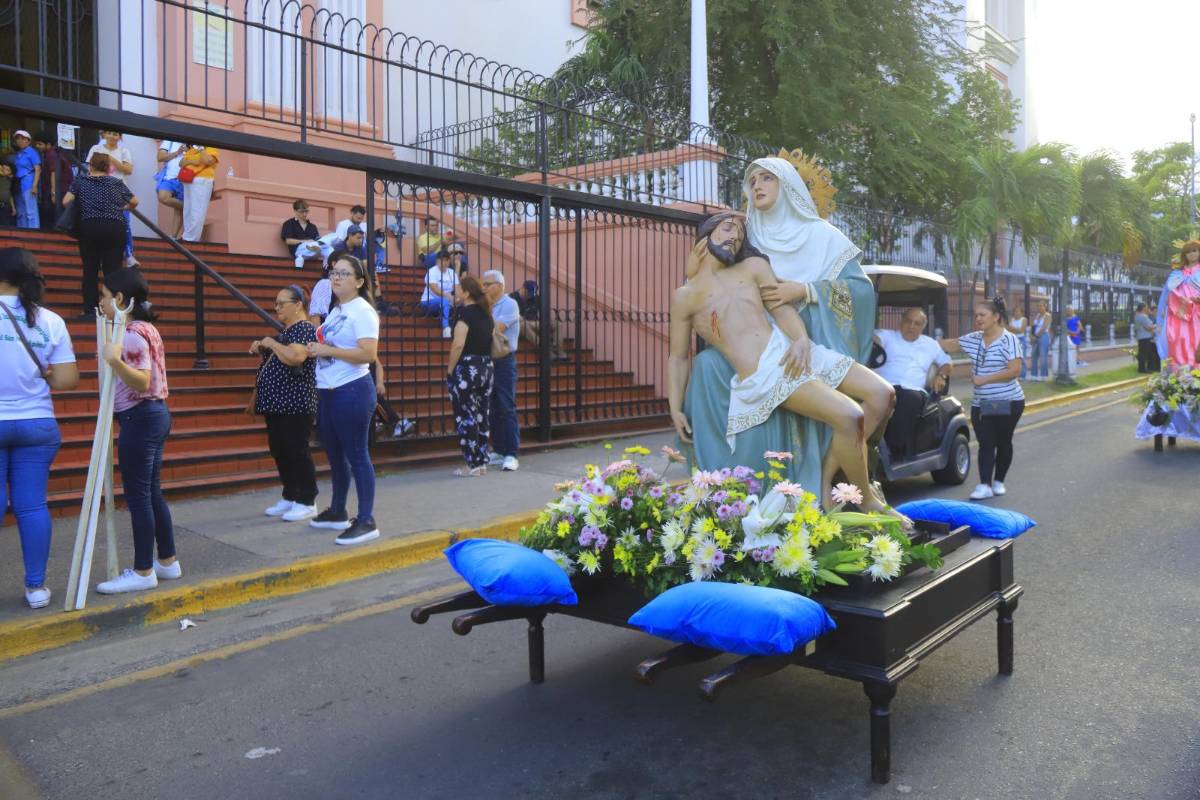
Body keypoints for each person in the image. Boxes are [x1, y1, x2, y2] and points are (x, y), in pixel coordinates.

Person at [682, 157, 885, 506]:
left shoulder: (823, 236)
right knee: (845, 413)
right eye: (752, 181)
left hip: (816, 340)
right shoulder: (747, 236)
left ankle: (824, 477)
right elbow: (712, 284)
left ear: (788, 184)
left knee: (882, 396)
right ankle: (827, 493)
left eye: (766, 178)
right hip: (771, 350)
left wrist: (805, 290)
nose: (756, 186)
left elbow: (861, 291)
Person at [0, 248, 79, 608]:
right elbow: (66, 380)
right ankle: (35, 588)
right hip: (37, 422)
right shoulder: (50, 320)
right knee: (32, 506)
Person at [96, 269, 181, 594]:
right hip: (154, 415)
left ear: (119, 300)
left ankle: (144, 569)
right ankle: (167, 560)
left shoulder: (130, 333)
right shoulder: (146, 327)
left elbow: (142, 381)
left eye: (105, 296)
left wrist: (114, 362)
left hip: (141, 417)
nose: (101, 302)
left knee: (139, 495)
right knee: (151, 491)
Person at [305, 254, 380, 545]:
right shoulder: (338, 309)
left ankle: (366, 520)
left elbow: (368, 354)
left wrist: (328, 351)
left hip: (351, 391)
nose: (336, 277)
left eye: (344, 274)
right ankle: (337, 510)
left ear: (359, 282)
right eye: (334, 272)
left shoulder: (362, 311)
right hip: (329, 391)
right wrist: (321, 346)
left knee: (357, 455)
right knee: (335, 455)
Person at [938, 296, 1024, 501]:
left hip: (1009, 401)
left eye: (982, 315)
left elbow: (1014, 370)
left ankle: (999, 481)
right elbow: (948, 344)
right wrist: (916, 339)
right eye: (976, 315)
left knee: (1003, 442)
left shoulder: (1009, 339)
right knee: (986, 443)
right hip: (981, 404)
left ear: (995, 317)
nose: (978, 318)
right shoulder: (974, 339)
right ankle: (984, 484)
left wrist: (984, 379)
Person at [251, 284, 319, 521]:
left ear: (298, 304)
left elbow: (296, 356)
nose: (276, 307)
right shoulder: (287, 331)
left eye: (281, 303)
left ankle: (307, 499)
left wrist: (271, 343)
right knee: (279, 449)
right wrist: (263, 347)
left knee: (296, 449)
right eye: (275, 303)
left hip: (295, 404)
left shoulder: (304, 329)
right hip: (277, 404)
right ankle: (290, 494)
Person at [62, 152, 137, 318]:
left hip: (89, 227)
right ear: (109, 167)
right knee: (113, 271)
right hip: (114, 228)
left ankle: (90, 310)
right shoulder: (116, 182)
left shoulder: (81, 181)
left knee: (90, 270)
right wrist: (123, 209)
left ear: (91, 166)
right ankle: (115, 309)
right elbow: (134, 201)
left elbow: (66, 201)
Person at [872, 307, 951, 458]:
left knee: (909, 399)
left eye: (917, 323)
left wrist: (941, 376)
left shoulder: (930, 344)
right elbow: (875, 339)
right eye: (908, 321)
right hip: (884, 385)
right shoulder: (887, 336)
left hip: (912, 390)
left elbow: (947, 362)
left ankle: (892, 449)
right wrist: (874, 341)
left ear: (923, 326)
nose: (912, 326)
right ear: (901, 321)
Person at [445, 275, 494, 477]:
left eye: (458, 289)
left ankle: (471, 464)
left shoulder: (464, 313)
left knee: (466, 416)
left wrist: (449, 369)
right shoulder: (486, 313)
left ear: (466, 293)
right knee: (482, 415)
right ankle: (481, 462)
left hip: (467, 368)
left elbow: (458, 344)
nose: (455, 291)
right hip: (486, 367)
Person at [483, 270, 520, 472]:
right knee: (493, 406)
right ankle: (498, 449)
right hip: (488, 359)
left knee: (506, 406)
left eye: (488, 284)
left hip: (504, 361)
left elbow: (496, 328)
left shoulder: (510, 304)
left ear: (499, 285)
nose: (485, 288)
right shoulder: (487, 304)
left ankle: (511, 453)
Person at [85, 131, 137, 266]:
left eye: (115, 134)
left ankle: (129, 255)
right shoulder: (96, 149)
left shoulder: (124, 150)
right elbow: (89, 169)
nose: (112, 137)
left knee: (125, 223)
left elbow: (128, 170)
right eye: (109, 133)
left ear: (119, 137)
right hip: (98, 190)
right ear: (104, 135)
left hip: (119, 191)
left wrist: (112, 160)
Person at [1155, 239, 1200, 369]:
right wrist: (1178, 301)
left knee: (1195, 341)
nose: (1191, 254)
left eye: (1194, 250)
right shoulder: (1176, 274)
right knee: (1177, 340)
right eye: (1188, 252)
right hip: (1178, 315)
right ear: (1184, 255)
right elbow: (1167, 295)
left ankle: (1196, 371)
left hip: (1197, 315)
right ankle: (1179, 373)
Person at [510, 279, 567, 361]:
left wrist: (547, 321)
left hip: (534, 323)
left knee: (557, 324)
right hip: (519, 327)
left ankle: (557, 349)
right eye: (528, 293)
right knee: (522, 324)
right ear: (523, 289)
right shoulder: (512, 298)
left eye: (532, 294)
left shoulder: (536, 298)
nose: (530, 296)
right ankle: (546, 349)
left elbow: (543, 312)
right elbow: (513, 316)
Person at [34, 130, 73, 231]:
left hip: (58, 190)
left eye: (40, 144)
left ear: (48, 144)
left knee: (54, 215)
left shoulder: (51, 155)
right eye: (37, 144)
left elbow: (53, 173)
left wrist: (54, 193)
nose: (37, 146)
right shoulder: (52, 153)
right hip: (60, 189)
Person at [179, 144, 219, 242]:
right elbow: (181, 162)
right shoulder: (192, 149)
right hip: (188, 180)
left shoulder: (211, 148)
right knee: (188, 210)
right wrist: (196, 160)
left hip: (203, 180)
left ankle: (191, 238)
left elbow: (208, 160)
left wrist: (200, 151)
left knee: (197, 209)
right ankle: (187, 235)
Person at [420, 248, 458, 338]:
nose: (444, 263)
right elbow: (434, 288)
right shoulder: (432, 271)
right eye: (441, 260)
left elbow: (457, 289)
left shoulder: (452, 273)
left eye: (446, 260)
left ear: (449, 261)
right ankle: (446, 328)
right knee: (445, 301)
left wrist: (458, 299)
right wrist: (447, 295)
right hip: (428, 302)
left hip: (446, 303)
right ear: (437, 261)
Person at [155, 139, 187, 237]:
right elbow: (160, 157)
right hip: (168, 178)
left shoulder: (193, 144)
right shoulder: (169, 141)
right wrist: (177, 152)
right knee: (163, 197)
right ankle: (188, 207)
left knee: (178, 210)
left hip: (185, 180)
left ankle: (173, 238)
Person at [11, 130, 41, 229]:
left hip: (29, 183)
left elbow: (38, 169)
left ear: (28, 141)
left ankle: (34, 233)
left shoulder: (31, 152)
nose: (20, 141)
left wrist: (34, 186)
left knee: (31, 211)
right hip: (19, 184)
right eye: (18, 138)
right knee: (22, 212)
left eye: (23, 138)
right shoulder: (19, 154)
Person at [281, 200, 321, 269]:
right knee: (310, 245)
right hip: (298, 250)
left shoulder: (312, 227)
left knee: (326, 245)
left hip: (313, 251)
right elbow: (288, 241)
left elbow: (317, 240)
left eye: (306, 211)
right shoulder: (289, 224)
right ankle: (301, 257)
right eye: (302, 211)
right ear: (295, 211)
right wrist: (305, 241)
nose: (305, 214)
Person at [1028, 299, 1052, 381]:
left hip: (1043, 336)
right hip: (1035, 336)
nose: (1039, 307)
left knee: (1043, 356)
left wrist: (1036, 336)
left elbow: (1044, 327)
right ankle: (1034, 374)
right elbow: (1033, 327)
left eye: (1041, 306)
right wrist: (1031, 336)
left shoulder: (1047, 315)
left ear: (1045, 307)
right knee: (1034, 356)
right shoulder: (1037, 316)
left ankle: (1043, 375)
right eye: (1038, 306)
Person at [1133, 301, 1160, 373]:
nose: (1147, 309)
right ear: (1143, 308)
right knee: (1145, 354)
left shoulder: (1137, 316)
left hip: (1141, 337)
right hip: (1146, 337)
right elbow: (1149, 327)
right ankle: (1143, 369)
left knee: (1143, 354)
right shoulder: (1143, 316)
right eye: (1146, 307)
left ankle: (1144, 368)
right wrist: (1156, 326)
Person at [1007, 305, 1028, 380]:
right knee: (1013, 358)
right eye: (1015, 311)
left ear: (1021, 312)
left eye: (1018, 311)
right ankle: (1014, 375)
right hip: (1013, 339)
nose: (1016, 313)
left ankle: (1022, 375)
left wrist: (1013, 328)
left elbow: (1021, 330)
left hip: (1021, 339)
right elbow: (1008, 329)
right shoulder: (1012, 319)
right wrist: (1015, 329)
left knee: (1022, 357)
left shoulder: (1024, 319)